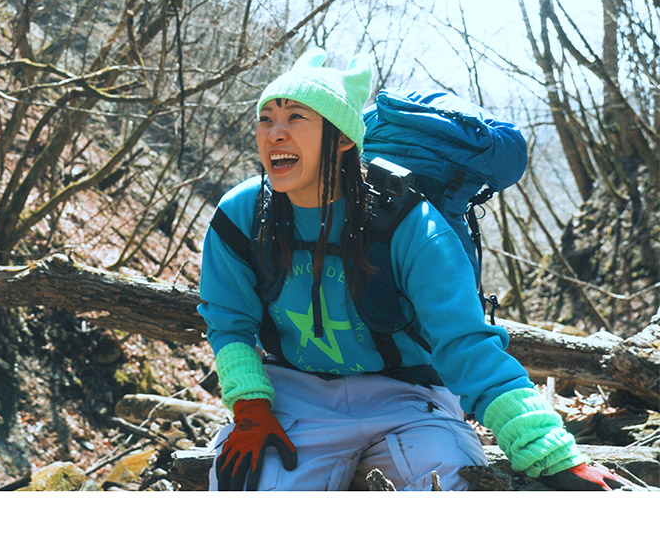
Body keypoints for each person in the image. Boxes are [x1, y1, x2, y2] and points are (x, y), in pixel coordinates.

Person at [197, 47, 627, 491]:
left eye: (296, 118)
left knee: (454, 494)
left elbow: (466, 343)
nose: (275, 134)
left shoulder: (407, 221)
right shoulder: (243, 214)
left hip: (411, 399)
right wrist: (250, 406)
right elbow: (229, 322)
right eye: (265, 119)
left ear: (344, 137)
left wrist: (550, 452)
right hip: (294, 396)